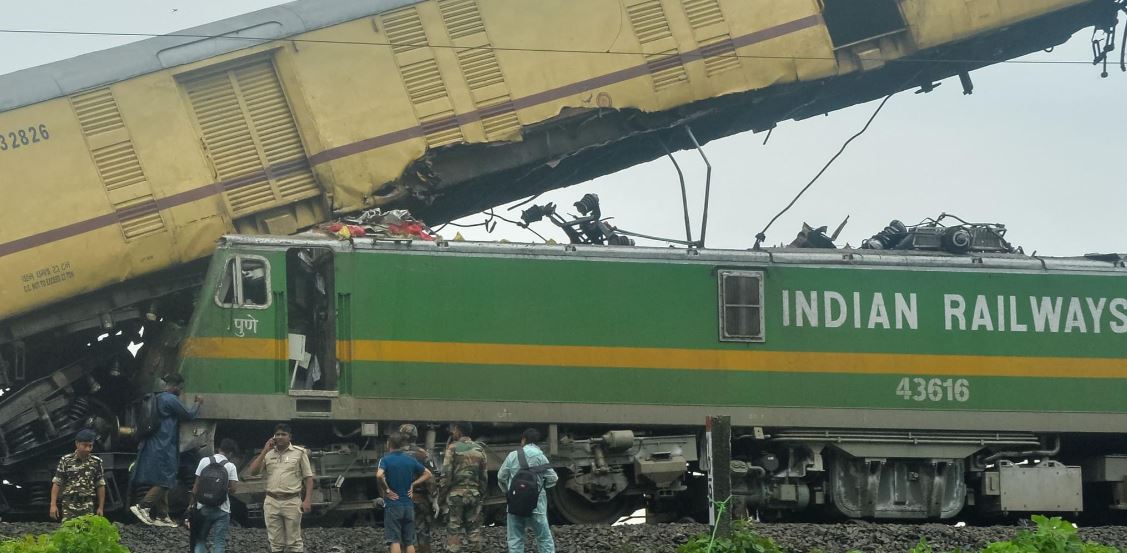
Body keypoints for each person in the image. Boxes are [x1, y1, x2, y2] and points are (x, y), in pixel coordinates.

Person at [131, 372, 203, 527]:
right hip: (164, 445)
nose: (181, 391)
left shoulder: (158, 398)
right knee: (166, 479)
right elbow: (189, 415)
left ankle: (163, 515)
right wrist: (198, 403)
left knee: (162, 478)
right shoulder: (170, 399)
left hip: (157, 444)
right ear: (176, 386)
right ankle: (143, 506)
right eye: (180, 388)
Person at [248, 424, 314, 553]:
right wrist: (265, 450)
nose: (280, 437)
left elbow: (308, 478)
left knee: (294, 542)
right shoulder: (268, 454)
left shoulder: (299, 453)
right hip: (271, 501)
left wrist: (307, 500)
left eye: (283, 434)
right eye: (277, 434)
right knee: (276, 544)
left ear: (290, 437)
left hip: (291, 501)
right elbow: (253, 472)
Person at [497, 428, 558, 553]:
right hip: (537, 505)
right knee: (544, 539)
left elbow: (501, 477)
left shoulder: (513, 455)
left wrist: (508, 493)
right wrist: (540, 489)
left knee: (515, 540)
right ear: (537, 442)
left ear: (523, 440)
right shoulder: (540, 457)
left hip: (514, 504)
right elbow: (553, 478)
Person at [377, 431, 433, 553]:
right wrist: (413, 484)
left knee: (395, 540)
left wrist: (387, 490)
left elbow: (379, 475)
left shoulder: (385, 460)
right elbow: (428, 474)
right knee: (409, 541)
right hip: (408, 505)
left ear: (389, 444)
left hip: (393, 505)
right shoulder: (410, 460)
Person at [440, 422, 487, 553]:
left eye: (454, 430)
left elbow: (446, 474)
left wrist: (442, 496)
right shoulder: (479, 449)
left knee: (454, 527)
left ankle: (454, 549)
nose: (453, 432)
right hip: (474, 493)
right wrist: (480, 493)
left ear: (459, 431)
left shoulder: (452, 448)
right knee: (474, 529)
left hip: (455, 494)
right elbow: (484, 476)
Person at [189, 438, 240, 553]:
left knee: (200, 540)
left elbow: (196, 485)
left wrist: (191, 504)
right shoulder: (231, 466)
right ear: (231, 453)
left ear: (219, 449)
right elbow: (233, 490)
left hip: (203, 508)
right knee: (219, 542)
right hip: (222, 509)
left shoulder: (204, 461)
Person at [397, 424, 438, 553]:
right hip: (420, 499)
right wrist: (435, 500)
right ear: (415, 437)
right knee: (422, 532)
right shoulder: (422, 454)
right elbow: (430, 479)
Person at [49, 428, 106, 522]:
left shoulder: (96, 462)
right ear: (77, 444)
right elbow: (57, 482)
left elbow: (100, 485)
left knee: (86, 533)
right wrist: (53, 505)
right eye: (85, 445)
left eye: (90, 446)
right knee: (68, 532)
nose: (88, 449)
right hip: (69, 504)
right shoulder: (66, 460)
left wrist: (100, 507)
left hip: (87, 503)